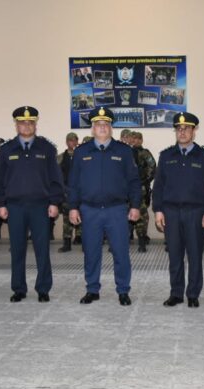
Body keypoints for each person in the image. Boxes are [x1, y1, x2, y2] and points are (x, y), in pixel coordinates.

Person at [68, 107, 141, 306]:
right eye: (98, 124)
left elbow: (134, 181)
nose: (102, 127)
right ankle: (92, 289)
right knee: (91, 252)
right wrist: (73, 207)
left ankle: (123, 290)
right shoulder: (82, 152)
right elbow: (73, 183)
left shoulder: (124, 151)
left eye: (106, 124)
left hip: (116, 210)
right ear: (92, 128)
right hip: (89, 210)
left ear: (111, 127)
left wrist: (135, 206)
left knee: (120, 252)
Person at [0, 106, 64, 303]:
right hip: (15, 207)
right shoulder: (6, 150)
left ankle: (43, 288)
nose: (26, 125)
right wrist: (0, 203)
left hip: (40, 206)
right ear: (16, 125)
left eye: (30, 122)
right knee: (17, 249)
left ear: (35, 124)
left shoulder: (46, 149)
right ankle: (19, 288)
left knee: (42, 249)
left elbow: (55, 179)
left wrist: (54, 202)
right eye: (22, 122)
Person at [153, 112, 204, 308]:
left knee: (195, 255)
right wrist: (158, 210)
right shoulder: (166, 156)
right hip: (171, 212)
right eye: (179, 129)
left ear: (194, 131)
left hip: (196, 213)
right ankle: (176, 293)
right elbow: (159, 187)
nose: (182, 132)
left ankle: (193, 294)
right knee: (174, 255)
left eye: (186, 128)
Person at [130, 131, 156, 252]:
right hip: (126, 189)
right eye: (132, 139)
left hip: (140, 188)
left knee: (141, 214)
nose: (134, 141)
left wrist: (146, 180)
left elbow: (153, 167)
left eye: (136, 139)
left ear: (141, 140)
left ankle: (142, 242)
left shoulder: (144, 153)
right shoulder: (126, 152)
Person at [57, 132, 81, 252]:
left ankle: (81, 239)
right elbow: (56, 176)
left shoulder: (82, 155)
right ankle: (67, 243)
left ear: (77, 141)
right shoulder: (60, 157)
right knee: (67, 219)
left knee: (83, 217)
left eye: (74, 140)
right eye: (70, 140)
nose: (72, 142)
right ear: (67, 142)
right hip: (66, 192)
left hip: (81, 192)